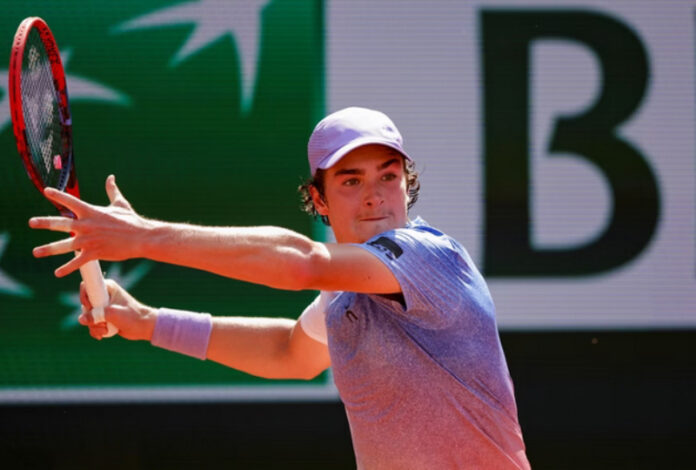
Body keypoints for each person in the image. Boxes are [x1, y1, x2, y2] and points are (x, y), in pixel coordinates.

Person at [30, 107, 530, 469]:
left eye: (388, 176)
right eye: (351, 181)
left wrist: (143, 237)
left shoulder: (429, 257)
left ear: (407, 183)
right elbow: (288, 351)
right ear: (320, 200)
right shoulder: (343, 294)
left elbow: (301, 263)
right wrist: (147, 322)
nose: (375, 197)